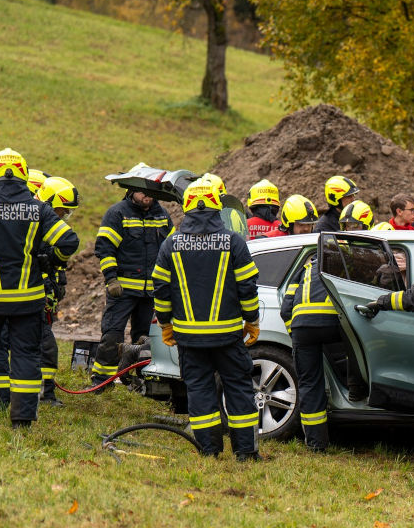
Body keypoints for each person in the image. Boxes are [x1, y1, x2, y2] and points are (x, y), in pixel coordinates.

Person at [0, 149, 78, 426]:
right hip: (28, 299)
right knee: (26, 355)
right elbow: (68, 241)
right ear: (24, 176)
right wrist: (50, 260)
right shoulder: (38, 210)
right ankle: (23, 420)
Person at [152, 176, 262, 458]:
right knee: (238, 390)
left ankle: (209, 451)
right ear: (217, 207)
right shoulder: (234, 242)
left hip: (189, 338)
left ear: (186, 207)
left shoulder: (171, 244)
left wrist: (166, 325)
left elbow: (160, 290)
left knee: (199, 391)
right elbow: (247, 287)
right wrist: (252, 320)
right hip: (228, 336)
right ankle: (245, 453)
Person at [92, 179, 173, 387]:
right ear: (131, 191)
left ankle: (138, 379)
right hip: (123, 290)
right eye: (143, 193)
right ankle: (102, 380)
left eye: (151, 193)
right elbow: (105, 248)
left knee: (146, 338)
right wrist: (111, 279)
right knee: (112, 334)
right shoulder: (118, 213)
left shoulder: (162, 215)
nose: (148, 197)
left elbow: (171, 250)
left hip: (151, 292)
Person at [279, 245, 341, 451]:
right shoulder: (340, 267)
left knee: (310, 384)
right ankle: (356, 388)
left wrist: (294, 336)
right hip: (331, 325)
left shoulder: (303, 271)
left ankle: (316, 444)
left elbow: (286, 310)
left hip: (302, 328)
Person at [35, 177, 80, 406]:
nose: (64, 215)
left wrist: (58, 277)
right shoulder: (38, 219)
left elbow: (57, 255)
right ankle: (45, 393)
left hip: (46, 292)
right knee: (44, 343)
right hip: (35, 293)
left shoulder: (45, 219)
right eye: (62, 209)